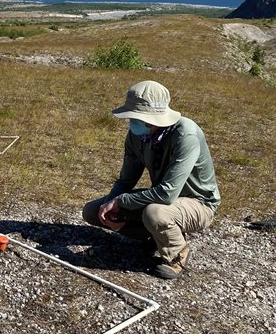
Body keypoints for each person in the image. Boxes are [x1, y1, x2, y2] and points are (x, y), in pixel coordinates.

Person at [82, 80, 220, 279]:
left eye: (135, 117)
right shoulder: (136, 136)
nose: (131, 122)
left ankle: (176, 254)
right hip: (163, 198)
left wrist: (121, 201)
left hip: (198, 203)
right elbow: (126, 181)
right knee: (93, 212)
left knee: (154, 213)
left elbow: (167, 193)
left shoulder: (186, 135)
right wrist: (109, 205)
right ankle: (154, 237)